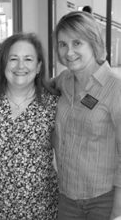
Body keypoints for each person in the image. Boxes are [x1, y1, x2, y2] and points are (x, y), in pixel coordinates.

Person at [0, 33, 59, 219]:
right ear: (3, 64)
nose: (20, 66)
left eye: (28, 59)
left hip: (40, 207)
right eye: (13, 59)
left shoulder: (53, 104)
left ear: (38, 66)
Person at [52, 11, 121, 220]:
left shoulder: (115, 88)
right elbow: (33, 91)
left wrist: (117, 212)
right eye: (63, 44)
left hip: (103, 200)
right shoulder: (63, 80)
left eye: (77, 43)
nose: (69, 52)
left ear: (93, 42)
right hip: (66, 197)